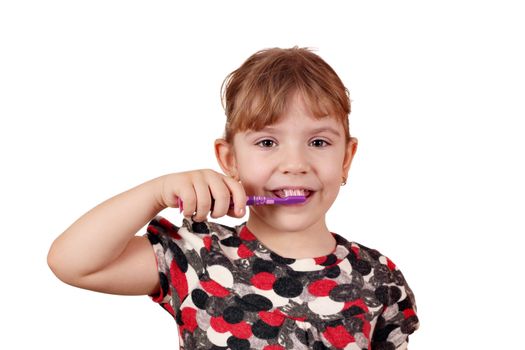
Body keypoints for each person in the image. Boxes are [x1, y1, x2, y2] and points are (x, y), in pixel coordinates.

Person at [47, 46, 419, 349]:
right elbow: (74, 263)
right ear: (229, 160)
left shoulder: (379, 278)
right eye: (267, 142)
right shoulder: (196, 257)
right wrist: (156, 193)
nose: (295, 163)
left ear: (346, 159)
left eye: (318, 142)